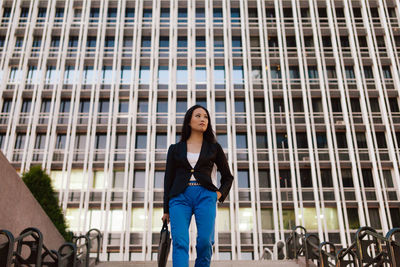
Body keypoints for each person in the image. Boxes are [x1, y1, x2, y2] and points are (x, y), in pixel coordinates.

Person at [161, 105, 234, 267]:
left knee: (205, 242)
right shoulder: (175, 149)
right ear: (188, 121)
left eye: (206, 117)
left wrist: (218, 195)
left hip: (206, 196)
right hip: (179, 198)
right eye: (198, 116)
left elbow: (228, 177)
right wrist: (166, 209)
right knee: (180, 242)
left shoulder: (214, 148)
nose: (203, 119)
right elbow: (168, 180)